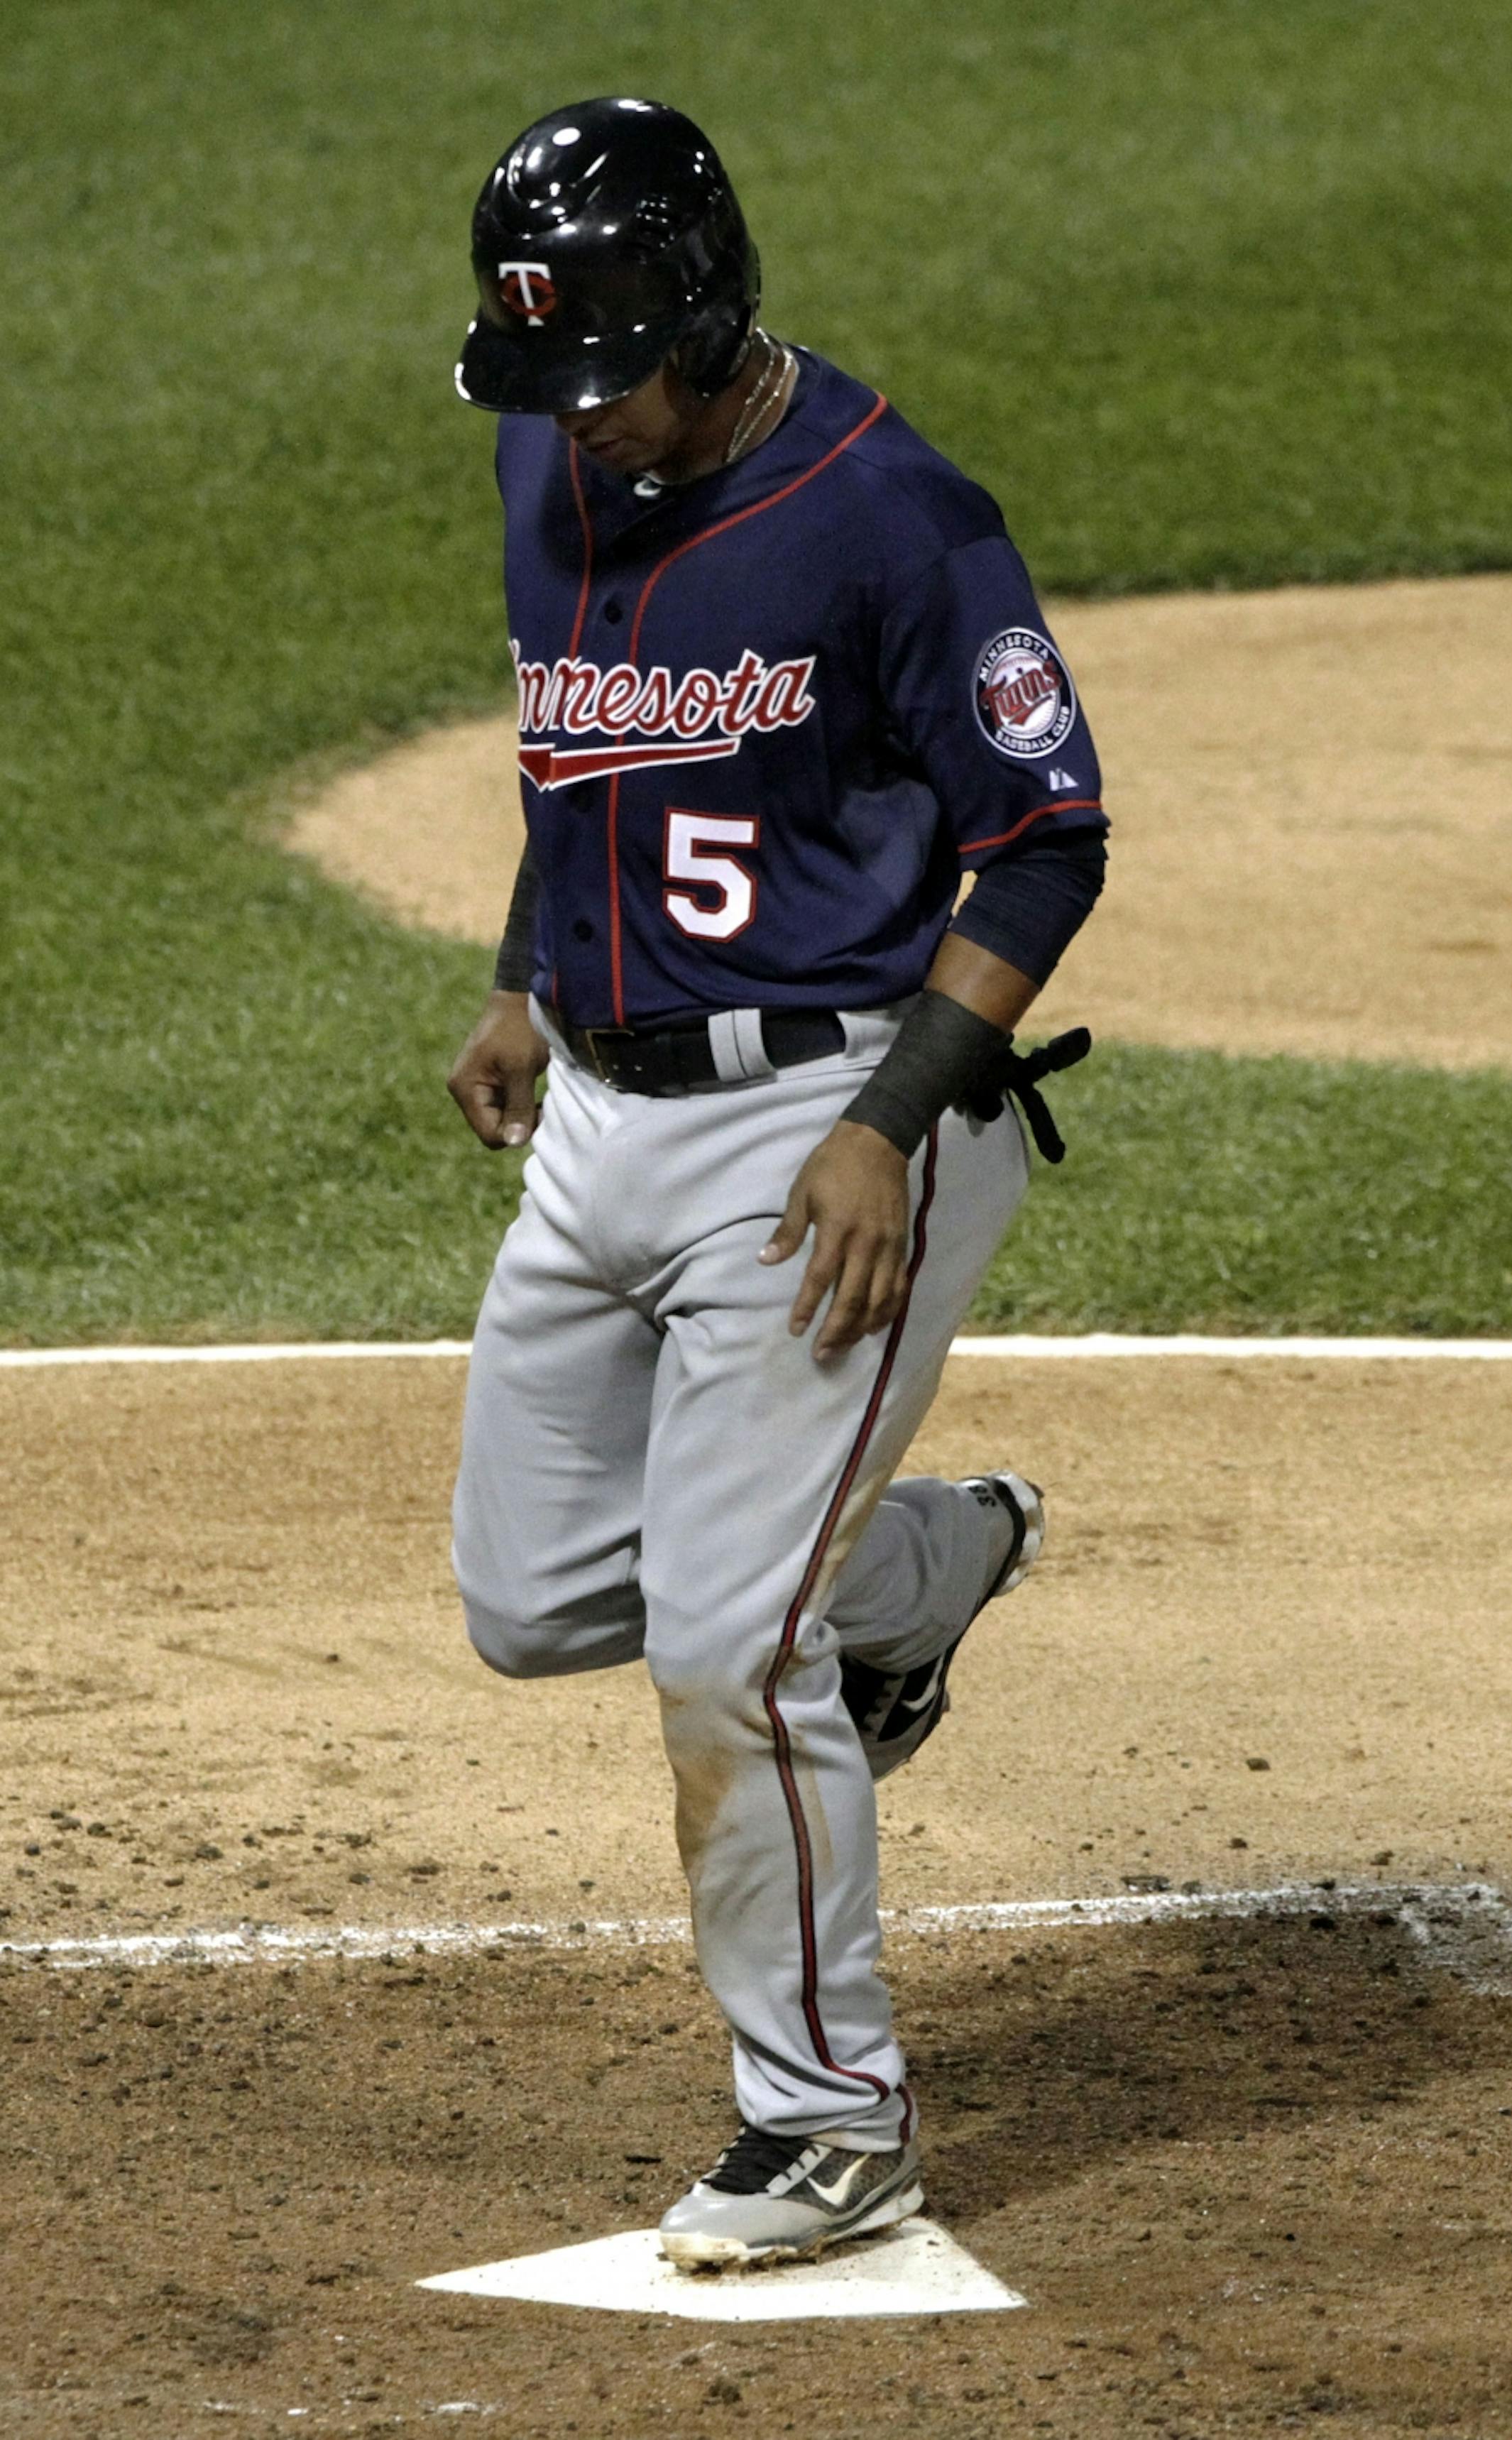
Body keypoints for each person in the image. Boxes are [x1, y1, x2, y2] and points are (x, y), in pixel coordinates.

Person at [446, 96, 1107, 2268]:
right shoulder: (558, 449)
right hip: (608, 1114)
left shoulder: (894, 518)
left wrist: (888, 1124)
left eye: (610, 371)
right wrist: (532, 980)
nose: (584, 424)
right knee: (533, 1597)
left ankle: (831, 2124)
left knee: (729, 1647)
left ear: (704, 310)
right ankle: (911, 1576)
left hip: (828, 1126)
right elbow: (587, 742)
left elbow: (1047, 838)